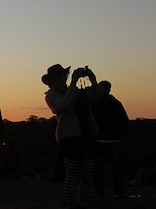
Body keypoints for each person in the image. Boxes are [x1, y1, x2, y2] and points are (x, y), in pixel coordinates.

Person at [42, 64, 103, 209]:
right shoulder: (52, 95)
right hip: (69, 138)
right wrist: (74, 85)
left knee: (87, 174)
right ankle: (72, 203)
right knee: (73, 174)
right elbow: (63, 106)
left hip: (86, 134)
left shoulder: (74, 92)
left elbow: (95, 97)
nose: (65, 78)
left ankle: (84, 202)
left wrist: (93, 80)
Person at [92, 80, 128, 197]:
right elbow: (125, 121)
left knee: (99, 168)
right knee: (116, 168)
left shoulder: (95, 103)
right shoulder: (116, 103)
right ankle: (118, 192)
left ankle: (100, 192)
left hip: (100, 141)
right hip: (115, 140)